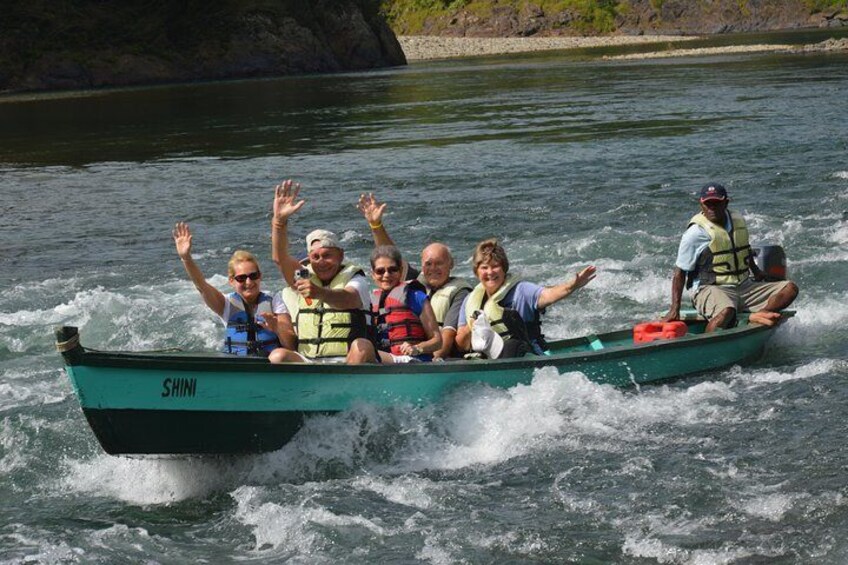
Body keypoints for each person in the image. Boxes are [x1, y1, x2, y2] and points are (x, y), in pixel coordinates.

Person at [662, 182, 798, 332]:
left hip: (744, 287)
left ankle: (761, 315)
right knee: (726, 311)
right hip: (711, 288)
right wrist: (675, 308)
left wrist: (757, 272)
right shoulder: (695, 233)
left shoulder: (737, 221)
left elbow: (743, 248)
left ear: (726, 202)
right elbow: (679, 271)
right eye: (708, 204)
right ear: (701, 205)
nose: (712, 207)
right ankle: (709, 345)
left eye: (717, 203)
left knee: (790, 288)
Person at [269, 180, 378, 364]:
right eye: (315, 257)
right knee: (278, 356)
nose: (321, 262)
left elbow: (348, 299)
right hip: (311, 361)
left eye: (327, 255)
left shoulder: (356, 278)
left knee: (363, 346)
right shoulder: (303, 276)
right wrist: (279, 222)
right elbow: (280, 259)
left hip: (347, 360)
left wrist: (319, 292)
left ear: (340, 256)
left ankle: (348, 386)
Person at [357, 193, 473, 360]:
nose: (433, 268)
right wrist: (376, 225)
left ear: (451, 265)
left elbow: (446, 335)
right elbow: (389, 257)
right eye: (428, 264)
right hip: (395, 355)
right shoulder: (412, 283)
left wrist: (432, 363)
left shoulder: (459, 292)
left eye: (439, 263)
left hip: (436, 358)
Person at [456, 238, 596, 358]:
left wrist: (571, 286)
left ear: (504, 269)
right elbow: (462, 344)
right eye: (484, 268)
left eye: (495, 266)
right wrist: (472, 328)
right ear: (476, 272)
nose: (490, 272)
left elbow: (548, 295)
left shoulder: (522, 290)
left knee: (511, 346)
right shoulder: (469, 301)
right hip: (487, 359)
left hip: (525, 355)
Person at [172, 222, 296, 356]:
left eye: (253, 276)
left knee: (279, 355)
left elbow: (292, 345)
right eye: (241, 278)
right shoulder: (226, 304)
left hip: (269, 365)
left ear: (260, 276)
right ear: (231, 281)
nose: (249, 282)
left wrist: (277, 328)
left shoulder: (275, 301)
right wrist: (186, 258)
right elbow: (201, 286)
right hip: (238, 364)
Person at [370, 245, 442, 363]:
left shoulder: (416, 297)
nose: (386, 275)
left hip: (413, 360)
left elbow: (437, 341)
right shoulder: (370, 302)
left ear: (401, 271)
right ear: (373, 274)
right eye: (380, 271)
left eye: (392, 269)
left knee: (364, 354)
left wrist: (417, 348)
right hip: (385, 361)